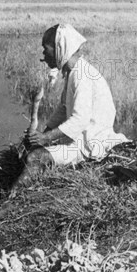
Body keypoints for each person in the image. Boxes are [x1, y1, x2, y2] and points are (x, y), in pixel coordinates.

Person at [11, 23, 128, 197]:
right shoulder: (74, 72)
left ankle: (11, 198)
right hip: (83, 139)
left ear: (60, 48)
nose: (43, 55)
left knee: (35, 158)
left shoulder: (81, 76)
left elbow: (79, 120)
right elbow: (63, 108)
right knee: (32, 152)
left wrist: (46, 138)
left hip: (90, 144)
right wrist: (44, 134)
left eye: (46, 49)